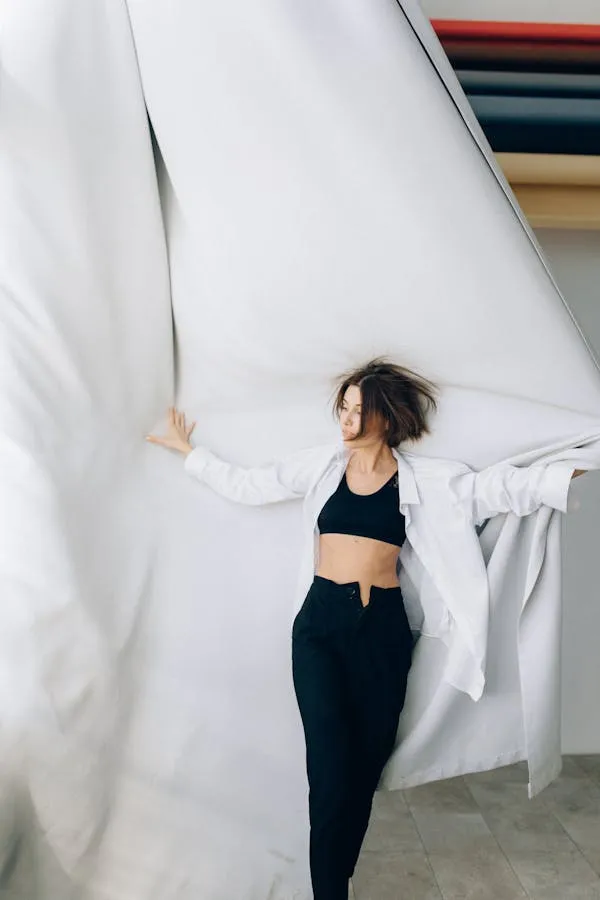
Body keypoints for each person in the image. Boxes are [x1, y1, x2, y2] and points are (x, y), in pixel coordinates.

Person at [146, 357, 586, 900]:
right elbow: (251, 484)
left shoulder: (428, 480)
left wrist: (568, 469)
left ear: (388, 417)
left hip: (383, 631)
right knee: (329, 773)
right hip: (320, 630)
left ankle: (336, 881)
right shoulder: (324, 467)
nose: (348, 420)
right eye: (345, 408)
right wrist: (191, 454)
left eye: (360, 410)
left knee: (362, 773)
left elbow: (496, 490)